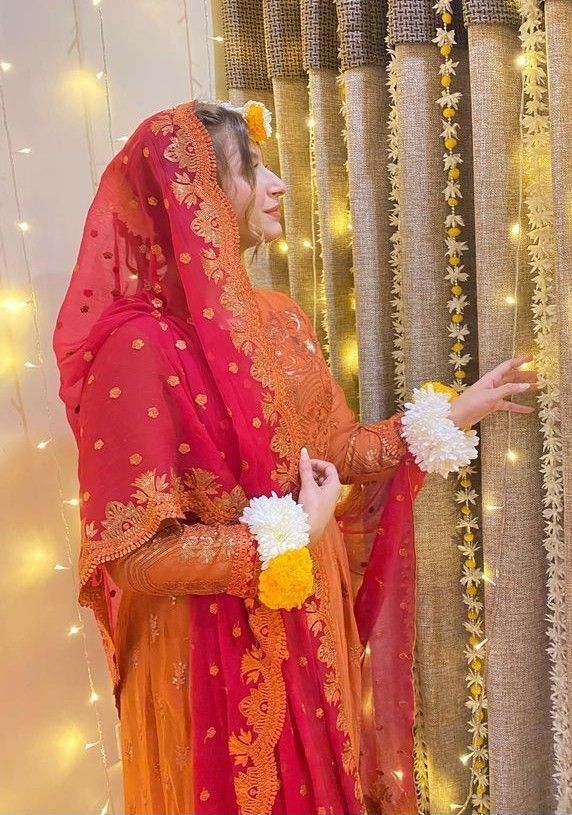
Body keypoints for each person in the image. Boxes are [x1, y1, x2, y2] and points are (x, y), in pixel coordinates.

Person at [53, 98, 537, 815]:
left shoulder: (279, 318)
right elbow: (135, 555)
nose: (279, 184)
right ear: (198, 198)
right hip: (209, 655)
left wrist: (450, 414)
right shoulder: (137, 349)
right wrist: (288, 535)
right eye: (252, 169)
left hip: (310, 621)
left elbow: (337, 448)